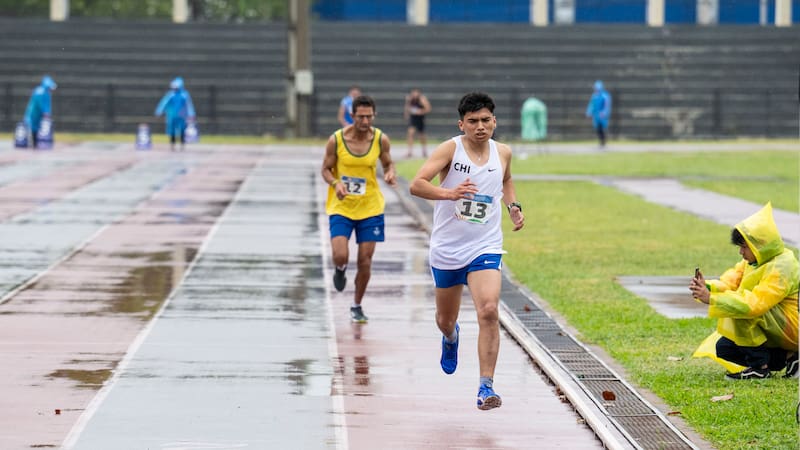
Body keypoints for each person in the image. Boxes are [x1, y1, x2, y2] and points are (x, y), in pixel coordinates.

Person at [409, 92, 525, 410]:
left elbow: (507, 180)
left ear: (494, 121)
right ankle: (450, 337)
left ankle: (486, 387)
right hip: (448, 249)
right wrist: (449, 193)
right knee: (445, 320)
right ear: (462, 124)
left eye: (486, 120)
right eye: (473, 121)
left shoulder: (503, 152)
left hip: (485, 245)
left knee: (488, 310)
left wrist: (513, 206)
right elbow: (417, 184)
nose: (480, 126)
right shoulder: (450, 149)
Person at [690, 202, 799, 380]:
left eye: (744, 246)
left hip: (792, 328)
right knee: (725, 348)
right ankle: (791, 357)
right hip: (777, 328)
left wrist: (711, 298)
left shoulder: (782, 266)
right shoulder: (756, 259)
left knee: (741, 310)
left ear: (759, 245)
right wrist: (706, 287)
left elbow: (753, 305)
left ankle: (759, 369)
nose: (741, 252)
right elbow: (731, 281)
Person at [321, 95, 397, 323]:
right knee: (340, 255)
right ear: (352, 115)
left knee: (365, 260)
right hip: (342, 206)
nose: (365, 121)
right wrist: (336, 183)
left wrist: (390, 173)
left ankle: (356, 305)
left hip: (370, 207)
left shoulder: (380, 139)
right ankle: (341, 268)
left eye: (369, 117)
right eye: (361, 117)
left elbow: (388, 163)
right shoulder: (336, 140)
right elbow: (325, 169)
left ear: (374, 116)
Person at [155, 77, 196, 151]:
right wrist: (159, 111)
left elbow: (189, 104)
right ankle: (172, 145)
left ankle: (182, 145)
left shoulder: (184, 94)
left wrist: (191, 114)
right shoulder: (171, 94)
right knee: (172, 130)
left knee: (182, 130)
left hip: (182, 115)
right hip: (172, 115)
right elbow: (164, 103)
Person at [24, 75, 57, 149]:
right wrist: (46, 114)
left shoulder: (38, 90)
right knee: (35, 130)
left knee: (33, 129)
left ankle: (34, 145)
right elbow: (43, 106)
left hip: (33, 113)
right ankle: (35, 146)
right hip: (35, 115)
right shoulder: (43, 93)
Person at [404, 88, 432, 158]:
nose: (415, 94)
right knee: (410, 133)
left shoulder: (422, 99)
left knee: (421, 136)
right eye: (413, 93)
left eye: (416, 93)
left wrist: (420, 111)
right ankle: (409, 152)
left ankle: (424, 151)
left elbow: (428, 109)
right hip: (413, 119)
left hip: (420, 119)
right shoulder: (410, 99)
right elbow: (407, 108)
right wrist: (407, 114)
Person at [585, 80, 611, 148]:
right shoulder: (594, 96)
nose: (596, 89)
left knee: (602, 128)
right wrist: (589, 112)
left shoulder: (604, 96)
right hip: (596, 115)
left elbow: (607, 105)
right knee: (597, 129)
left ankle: (603, 142)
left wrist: (604, 112)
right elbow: (591, 105)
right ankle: (601, 142)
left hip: (602, 116)